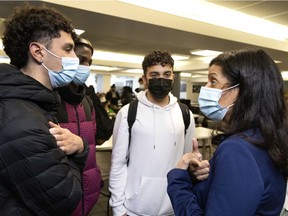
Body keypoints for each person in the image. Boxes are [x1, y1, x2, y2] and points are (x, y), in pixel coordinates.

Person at [167, 48, 288, 215]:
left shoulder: (237, 150)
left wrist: (178, 180)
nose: (206, 87)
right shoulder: (264, 138)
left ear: (242, 91)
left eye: (213, 81)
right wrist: (205, 178)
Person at [0, 4, 89, 215]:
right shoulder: (22, 121)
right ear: (38, 52)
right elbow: (65, 197)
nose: (74, 59)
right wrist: (79, 150)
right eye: (67, 49)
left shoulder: (30, 105)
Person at [109, 50, 209, 216]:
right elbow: (118, 163)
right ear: (145, 78)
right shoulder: (128, 113)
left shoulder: (185, 114)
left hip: (174, 205)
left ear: (173, 77)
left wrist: (195, 166)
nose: (161, 80)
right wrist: (119, 209)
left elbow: (186, 158)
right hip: (135, 207)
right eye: (154, 74)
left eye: (166, 74)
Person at [55, 36, 103, 216]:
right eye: (81, 59)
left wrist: (96, 176)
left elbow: (92, 146)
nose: (85, 67)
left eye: (88, 62)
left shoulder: (87, 103)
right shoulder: (49, 100)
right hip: (60, 199)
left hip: (88, 195)